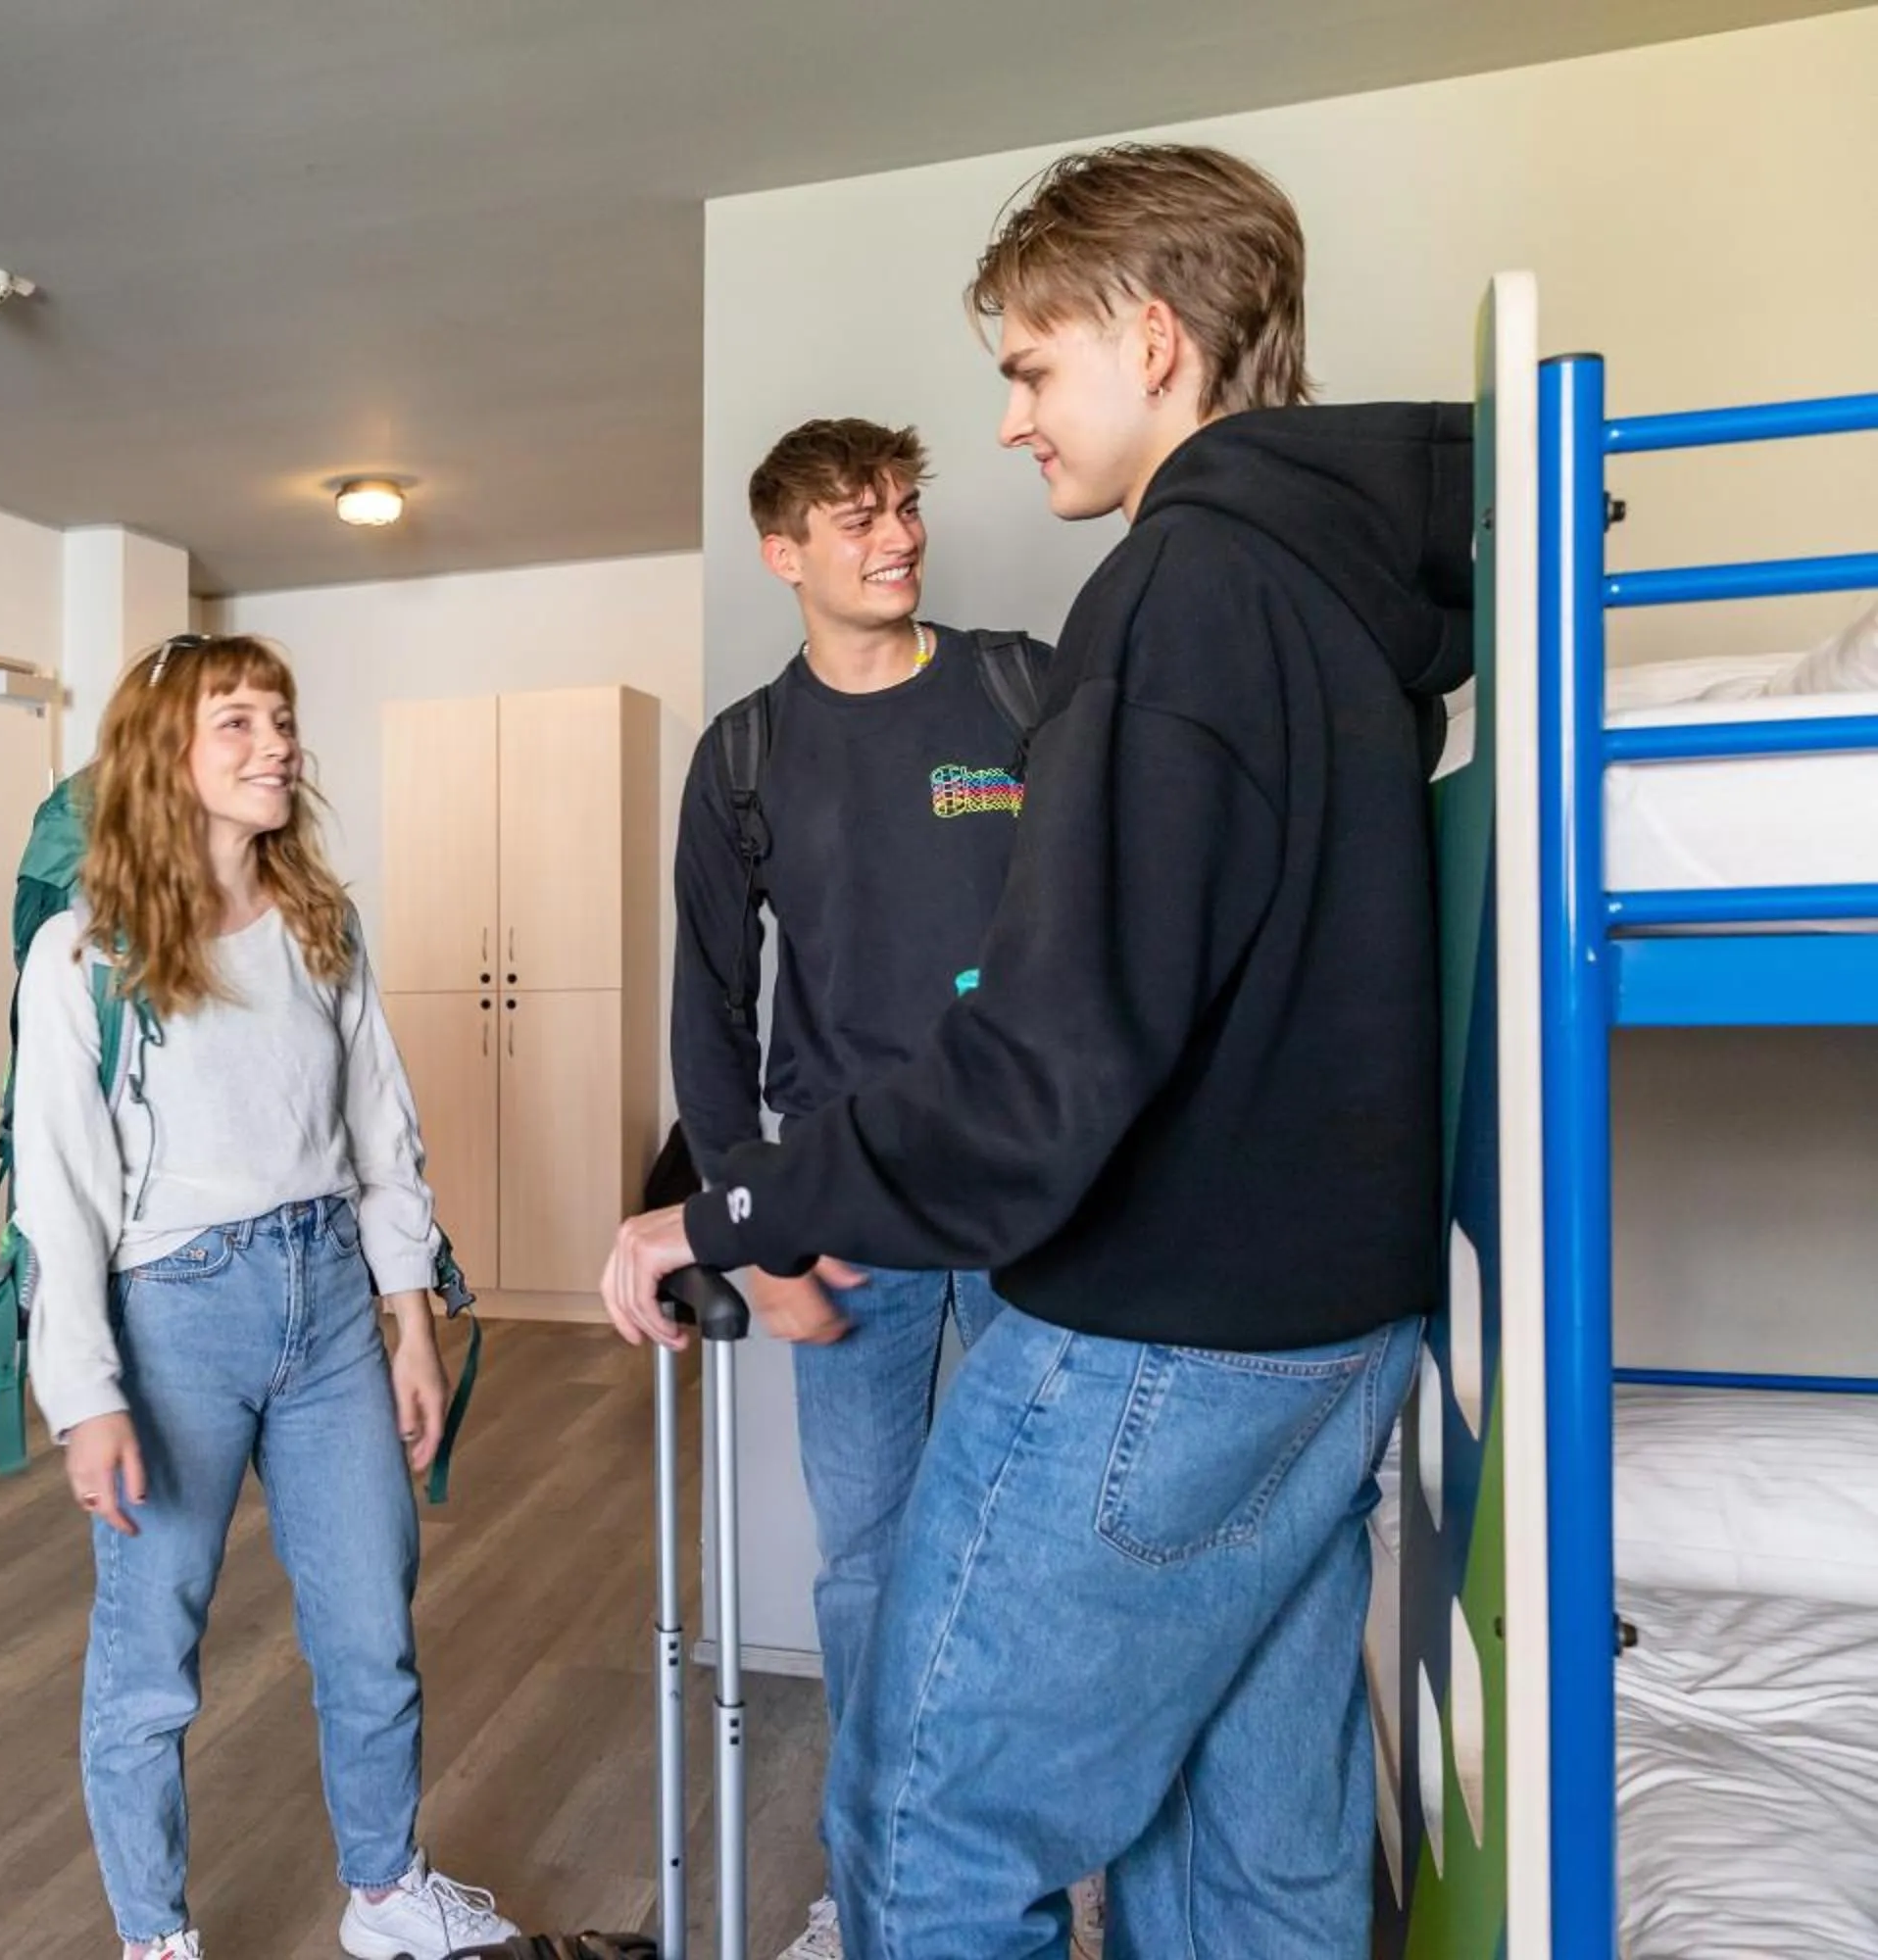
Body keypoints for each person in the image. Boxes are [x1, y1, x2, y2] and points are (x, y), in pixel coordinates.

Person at [603, 143, 1472, 1958]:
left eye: (1028, 367)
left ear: (1150, 340)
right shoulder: (1341, 598)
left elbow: (1040, 1072)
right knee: (1253, 1850)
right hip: (1337, 1327)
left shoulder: (1167, 604)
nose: (1007, 426)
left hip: (1157, 1327)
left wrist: (727, 1208)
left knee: (925, 1837)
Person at [13, 632, 519, 1960]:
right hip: (174, 1313)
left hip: (333, 1302)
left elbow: (382, 1137)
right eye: (236, 723)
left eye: (281, 719)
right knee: (149, 1660)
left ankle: (387, 1889)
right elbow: (57, 1198)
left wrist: (412, 1328)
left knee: (371, 1622)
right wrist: (84, 1398)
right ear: (164, 760)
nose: (277, 744)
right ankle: (154, 1937)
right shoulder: (83, 957)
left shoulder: (319, 925)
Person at [670, 416, 1063, 1960]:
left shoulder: (1022, 687)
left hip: (1038, 1204)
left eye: (905, 506)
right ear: (784, 553)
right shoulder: (746, 756)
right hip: (852, 1223)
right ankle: (872, 1881)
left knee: (1044, 1560)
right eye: (853, 520)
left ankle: (1026, 1878)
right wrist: (757, 1235)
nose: (895, 537)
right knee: (869, 1569)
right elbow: (709, 1010)